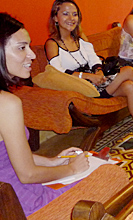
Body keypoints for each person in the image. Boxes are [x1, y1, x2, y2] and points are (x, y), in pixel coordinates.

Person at [0, 12, 90, 216]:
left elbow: (6, 157)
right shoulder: (6, 104)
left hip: (8, 199)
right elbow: (27, 174)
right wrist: (71, 169)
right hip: (20, 205)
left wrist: (53, 161)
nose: (32, 55)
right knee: (107, 174)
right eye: (22, 47)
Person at [45, 0, 133, 148]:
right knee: (129, 71)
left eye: (75, 14)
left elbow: (94, 59)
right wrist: (86, 76)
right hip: (82, 88)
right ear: (55, 18)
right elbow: (56, 71)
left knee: (130, 86)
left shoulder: (80, 41)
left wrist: (98, 72)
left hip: (97, 83)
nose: (71, 18)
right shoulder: (52, 44)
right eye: (66, 14)